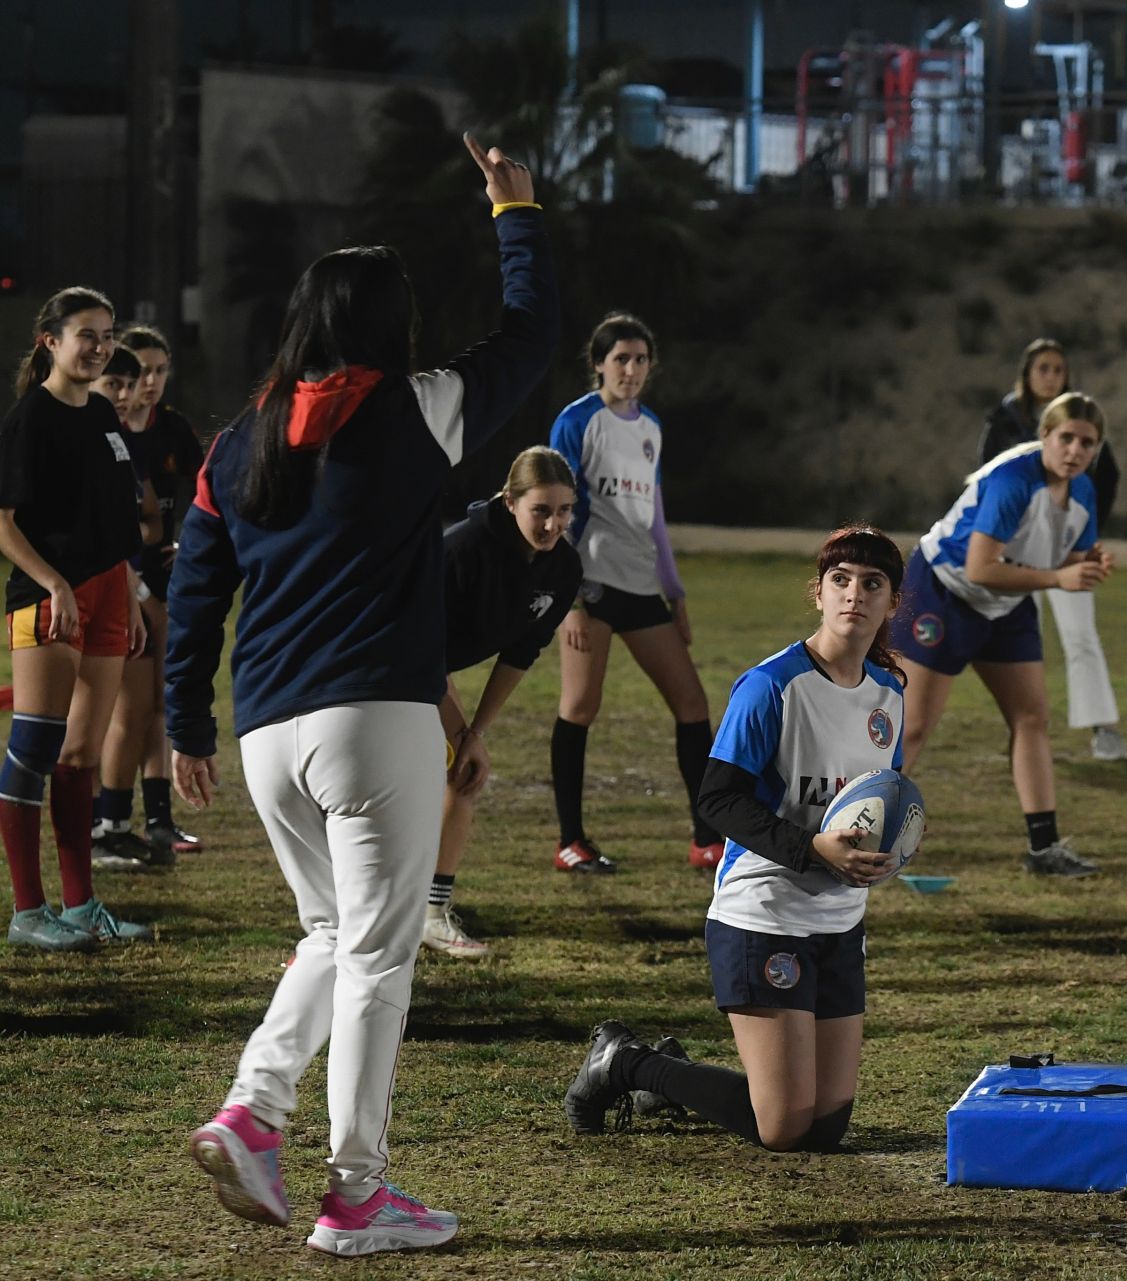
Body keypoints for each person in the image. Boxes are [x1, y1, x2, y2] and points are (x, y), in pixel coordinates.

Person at [172, 135, 556, 1256]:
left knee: (334, 935)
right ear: (388, 325)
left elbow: (196, 588)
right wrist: (516, 214)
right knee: (379, 953)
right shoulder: (413, 406)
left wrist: (186, 720)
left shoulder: (239, 437)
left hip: (266, 731)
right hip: (369, 718)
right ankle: (356, 1193)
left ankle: (253, 1111)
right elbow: (529, 341)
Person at [562, 525, 909, 1153]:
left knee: (824, 1129)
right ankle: (627, 1062)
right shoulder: (772, 685)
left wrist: (886, 852)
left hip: (839, 920)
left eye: (872, 583)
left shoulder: (891, 694)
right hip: (763, 913)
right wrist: (810, 849)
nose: (854, 594)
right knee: (782, 1128)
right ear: (819, 592)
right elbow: (716, 800)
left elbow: (881, 799)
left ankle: (667, 1075)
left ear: (892, 602)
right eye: (840, 580)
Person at [895, 393, 1112, 878]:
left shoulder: (1083, 492)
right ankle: (854, 837)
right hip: (944, 592)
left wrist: (1088, 564)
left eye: (1087, 442)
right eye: (1066, 438)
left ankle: (1044, 849)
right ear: (1045, 436)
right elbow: (979, 567)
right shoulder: (1015, 478)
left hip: (1006, 599)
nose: (1075, 450)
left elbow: (1066, 555)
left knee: (1031, 716)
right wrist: (1059, 578)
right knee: (912, 726)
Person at [0, 286, 151, 951]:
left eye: (107, 334)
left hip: (108, 592)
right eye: (85, 334)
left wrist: (127, 589)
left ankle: (81, 904)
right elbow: (2, 524)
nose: (100, 346)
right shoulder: (30, 417)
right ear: (50, 341)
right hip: (46, 595)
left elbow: (113, 517)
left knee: (82, 753)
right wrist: (55, 583)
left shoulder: (102, 415)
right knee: (34, 747)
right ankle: (28, 910)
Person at [548, 312, 720, 873]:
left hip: (641, 587)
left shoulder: (651, 427)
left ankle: (706, 839)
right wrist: (568, 597)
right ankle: (571, 842)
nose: (631, 369)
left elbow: (655, 518)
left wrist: (676, 593)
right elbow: (557, 508)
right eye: (620, 358)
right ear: (598, 363)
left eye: (640, 359)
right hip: (591, 587)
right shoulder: (577, 421)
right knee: (580, 707)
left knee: (692, 705)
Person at [424, 446, 583, 958]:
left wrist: (476, 734)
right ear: (510, 501)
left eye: (563, 511)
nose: (553, 524)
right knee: (411, 782)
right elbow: (420, 648)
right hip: (384, 658)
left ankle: (427, 912)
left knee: (464, 770)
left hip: (428, 665)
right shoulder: (464, 550)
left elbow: (522, 651)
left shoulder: (563, 568)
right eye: (540, 510)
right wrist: (460, 733)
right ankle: (370, 915)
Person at [979, 338, 1127, 762]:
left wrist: (1087, 531)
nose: (1049, 376)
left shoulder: (1081, 419)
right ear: (1027, 374)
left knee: (1081, 634)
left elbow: (1105, 479)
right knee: (1022, 641)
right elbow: (987, 479)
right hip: (1016, 553)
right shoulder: (1005, 421)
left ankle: (1103, 728)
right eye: (1041, 368)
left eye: (1057, 369)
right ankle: (1025, 732)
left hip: (1068, 548)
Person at [94, 324, 207, 866]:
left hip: (162, 582)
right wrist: (135, 584)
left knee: (162, 704)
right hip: (122, 584)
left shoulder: (172, 430)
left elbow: (213, 489)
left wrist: (189, 541)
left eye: (161, 370)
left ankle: (157, 821)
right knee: (130, 709)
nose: (150, 382)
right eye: (140, 371)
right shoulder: (106, 435)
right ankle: (107, 823)